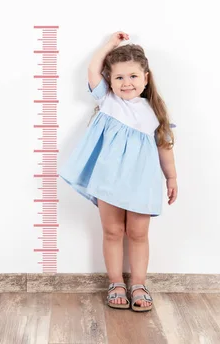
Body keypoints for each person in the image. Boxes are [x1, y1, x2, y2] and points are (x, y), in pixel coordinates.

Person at [59, 31, 178, 312]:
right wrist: (109, 45)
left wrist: (171, 177)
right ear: (110, 81)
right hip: (109, 180)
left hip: (141, 183)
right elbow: (91, 69)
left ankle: (138, 283)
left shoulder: (154, 113)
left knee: (138, 234)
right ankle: (115, 283)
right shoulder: (108, 102)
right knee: (112, 231)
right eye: (119, 77)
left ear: (146, 78)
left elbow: (165, 147)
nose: (127, 83)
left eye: (133, 76)